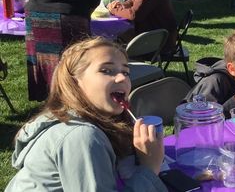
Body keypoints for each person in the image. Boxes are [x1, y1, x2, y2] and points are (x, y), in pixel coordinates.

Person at [6, 37, 167, 191]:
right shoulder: (81, 136)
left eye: (126, 72)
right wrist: (149, 167)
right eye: (107, 70)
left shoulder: (89, 122)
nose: (121, 78)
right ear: (75, 81)